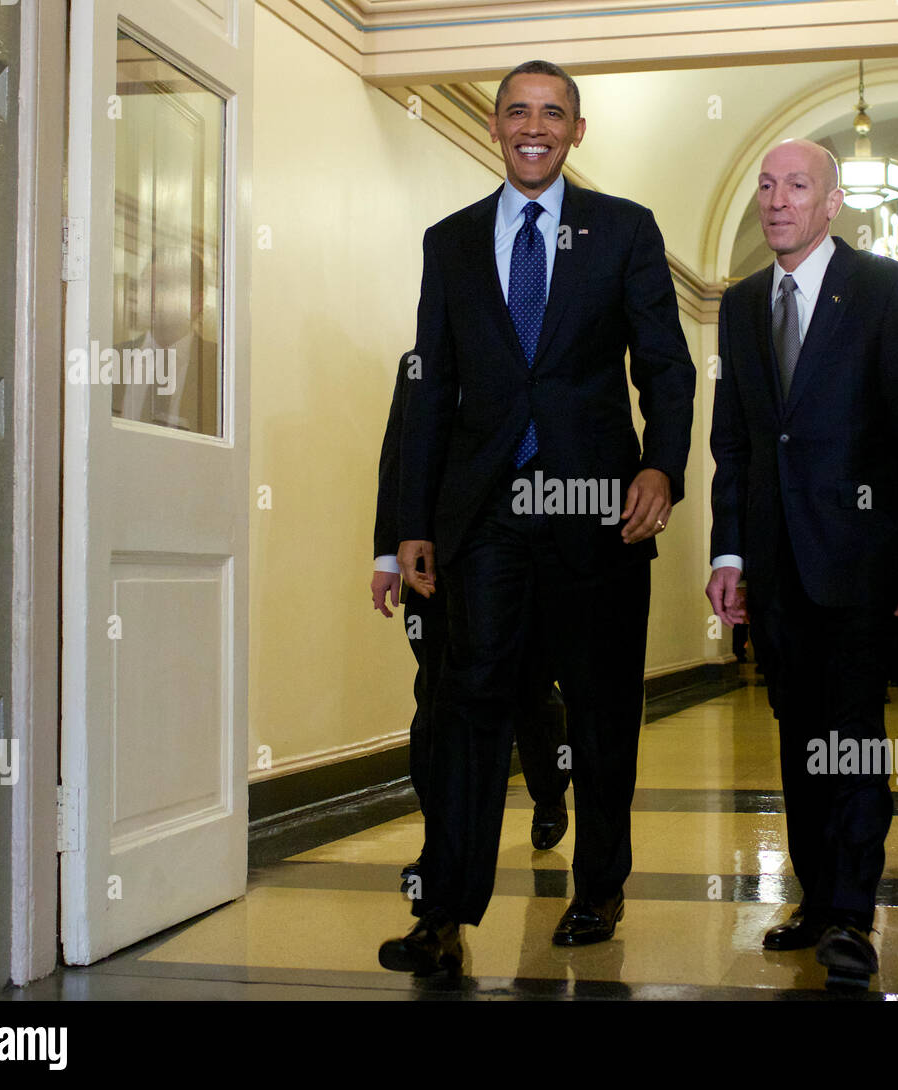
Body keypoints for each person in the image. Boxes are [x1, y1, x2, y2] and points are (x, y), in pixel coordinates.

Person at [379, 60, 696, 976]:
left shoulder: (625, 231)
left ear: (576, 132)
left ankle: (599, 886)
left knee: (599, 708)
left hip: (598, 511)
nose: (533, 126)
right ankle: (445, 912)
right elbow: (429, 386)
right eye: (517, 110)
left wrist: (661, 468)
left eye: (552, 113)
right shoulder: (450, 242)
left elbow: (666, 368)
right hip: (485, 518)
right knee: (468, 707)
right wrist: (412, 521)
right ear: (493, 125)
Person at [706, 139, 898, 989]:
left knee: (851, 739)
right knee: (798, 737)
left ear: (832, 201)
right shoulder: (740, 306)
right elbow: (734, 441)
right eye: (767, 186)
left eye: (796, 185)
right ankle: (816, 897)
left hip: (861, 563)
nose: (777, 200)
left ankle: (852, 912)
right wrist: (730, 549)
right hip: (776, 572)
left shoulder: (887, 291)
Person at [371, 351, 571, 886]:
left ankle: (549, 793)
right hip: (434, 560)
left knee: (530, 686)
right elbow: (399, 455)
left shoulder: (528, 353)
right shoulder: (418, 365)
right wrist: (387, 557)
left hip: (520, 549)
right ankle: (442, 843)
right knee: (436, 697)